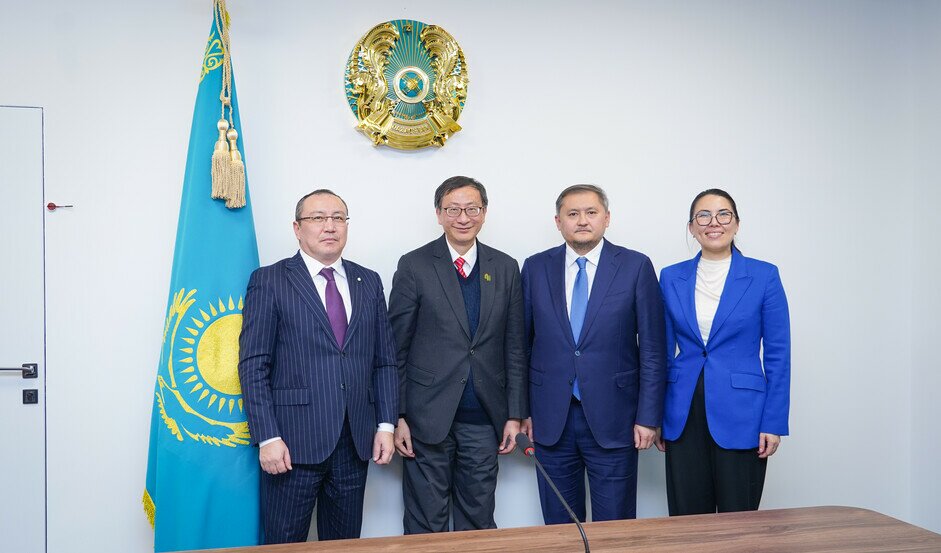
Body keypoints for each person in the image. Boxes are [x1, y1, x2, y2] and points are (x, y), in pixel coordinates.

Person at [237, 190, 398, 543]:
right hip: (291, 444)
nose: (330, 226)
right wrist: (267, 436)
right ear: (297, 228)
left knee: (344, 545)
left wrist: (385, 424)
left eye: (338, 218)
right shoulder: (270, 280)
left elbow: (384, 361)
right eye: (318, 218)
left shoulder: (368, 280)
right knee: (284, 544)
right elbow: (253, 365)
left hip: (355, 442)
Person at [389, 175, 527, 534]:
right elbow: (396, 348)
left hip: (484, 419)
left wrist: (515, 414)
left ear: (484, 212)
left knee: (478, 521)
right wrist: (398, 415)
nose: (463, 217)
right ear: (438, 213)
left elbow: (514, 346)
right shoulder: (415, 265)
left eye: (472, 209)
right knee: (425, 523)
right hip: (424, 419)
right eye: (453, 209)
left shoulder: (505, 267)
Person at [521, 184, 666, 523]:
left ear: (607, 218)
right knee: (559, 527)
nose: (582, 221)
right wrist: (522, 410)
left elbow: (653, 350)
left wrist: (648, 416)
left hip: (616, 418)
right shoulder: (535, 267)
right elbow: (520, 346)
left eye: (591, 213)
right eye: (573, 214)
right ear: (558, 222)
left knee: (614, 528)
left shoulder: (635, 266)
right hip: (550, 419)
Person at [656, 188, 790, 515]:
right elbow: (658, 352)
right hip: (683, 411)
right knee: (688, 522)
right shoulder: (671, 276)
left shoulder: (763, 275)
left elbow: (778, 354)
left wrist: (773, 421)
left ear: (736, 224)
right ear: (691, 227)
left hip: (743, 413)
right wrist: (656, 415)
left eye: (723, 214)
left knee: (738, 522)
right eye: (703, 215)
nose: (713, 222)